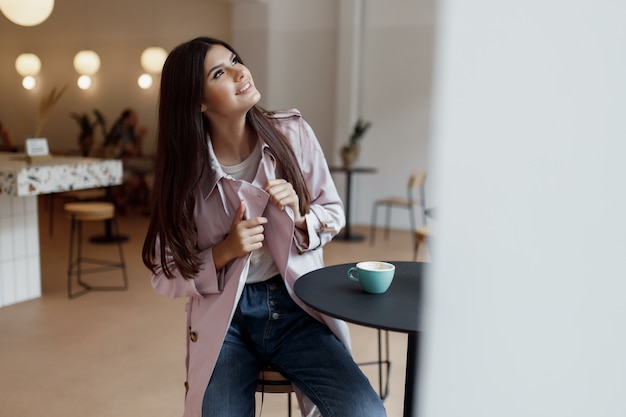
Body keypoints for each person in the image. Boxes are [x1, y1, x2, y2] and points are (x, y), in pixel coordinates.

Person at [142, 37, 387, 417]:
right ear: (198, 102)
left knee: (365, 412)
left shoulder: (292, 133)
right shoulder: (184, 173)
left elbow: (332, 211)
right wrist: (224, 251)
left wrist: (300, 216)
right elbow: (164, 273)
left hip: (298, 307)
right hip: (226, 320)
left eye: (236, 60)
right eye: (220, 72)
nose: (242, 72)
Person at [109, 108, 151, 213]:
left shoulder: (130, 131)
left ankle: (120, 201)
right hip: (119, 164)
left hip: (127, 163)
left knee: (138, 179)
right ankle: (119, 200)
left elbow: (137, 152)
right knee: (150, 167)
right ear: (127, 118)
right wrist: (140, 137)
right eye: (134, 118)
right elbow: (133, 151)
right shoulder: (122, 131)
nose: (136, 121)